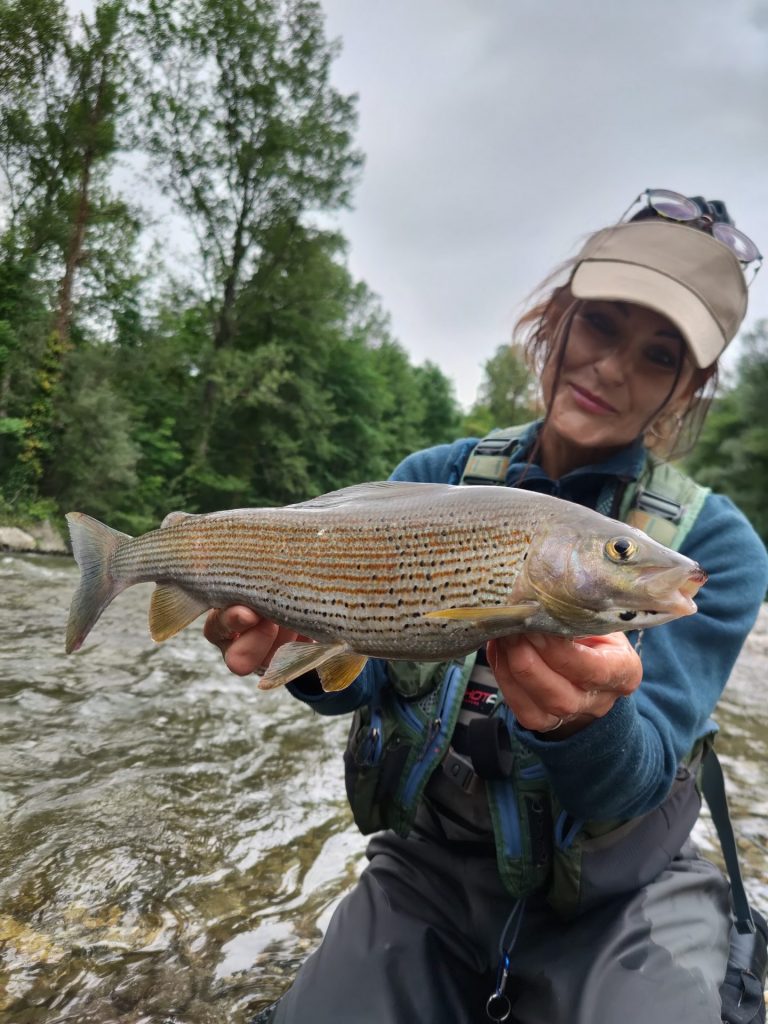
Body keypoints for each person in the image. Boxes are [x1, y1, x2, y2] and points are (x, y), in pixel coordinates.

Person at [205, 189, 768, 1024]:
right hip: (425, 874)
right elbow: (364, 684)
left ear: (688, 388)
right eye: (603, 325)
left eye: (658, 357)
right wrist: (299, 639)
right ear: (558, 320)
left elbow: (639, 776)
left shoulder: (711, 550)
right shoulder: (431, 475)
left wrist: (585, 724)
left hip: (619, 892)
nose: (613, 367)